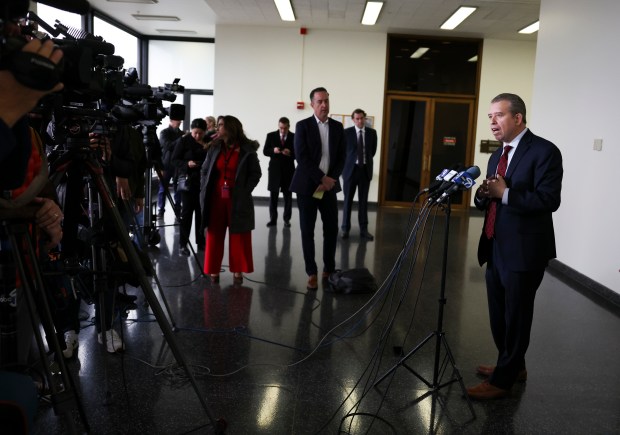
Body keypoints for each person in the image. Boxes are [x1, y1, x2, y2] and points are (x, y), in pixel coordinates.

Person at [467, 93, 563, 400]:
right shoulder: (498, 154)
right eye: (490, 117)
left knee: (517, 316)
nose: (493, 122)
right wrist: (484, 194)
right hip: (495, 244)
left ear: (518, 118)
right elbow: (491, 195)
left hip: (525, 251)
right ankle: (513, 364)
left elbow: (549, 200)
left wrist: (505, 194)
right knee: (499, 315)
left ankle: (502, 380)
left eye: (499, 115)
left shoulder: (545, 152)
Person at [290, 87, 345, 290]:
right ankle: (311, 272)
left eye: (327, 101)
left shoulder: (338, 127)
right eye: (320, 101)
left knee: (331, 229)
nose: (324, 105)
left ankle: (328, 269)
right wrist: (321, 178)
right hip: (307, 187)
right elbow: (301, 158)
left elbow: (341, 157)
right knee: (307, 230)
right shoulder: (302, 126)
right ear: (312, 104)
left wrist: (330, 179)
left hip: (328, 187)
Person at [199, 115, 261, 284]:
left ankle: (238, 271)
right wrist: (204, 187)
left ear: (231, 128)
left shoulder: (247, 150)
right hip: (216, 198)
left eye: (220, 125)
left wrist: (245, 190)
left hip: (238, 198)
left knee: (239, 235)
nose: (217, 128)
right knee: (214, 234)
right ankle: (212, 270)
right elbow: (204, 170)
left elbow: (256, 173)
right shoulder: (215, 147)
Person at [172, 118, 208, 256]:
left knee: (201, 213)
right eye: (195, 133)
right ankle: (183, 244)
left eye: (200, 133)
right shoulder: (184, 140)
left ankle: (201, 242)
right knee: (186, 214)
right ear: (191, 131)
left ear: (204, 132)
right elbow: (174, 160)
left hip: (203, 183)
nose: (197, 136)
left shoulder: (208, 142)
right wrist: (187, 164)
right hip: (188, 182)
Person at [341, 108, 377, 241]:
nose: (360, 121)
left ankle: (364, 230)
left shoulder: (372, 133)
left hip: (365, 171)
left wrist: (363, 162)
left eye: (362, 118)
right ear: (353, 120)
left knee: (363, 202)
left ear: (365, 118)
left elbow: (372, 151)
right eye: (357, 119)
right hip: (350, 171)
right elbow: (343, 152)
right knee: (347, 201)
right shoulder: (346, 133)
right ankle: (345, 229)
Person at [263, 116, 295, 228]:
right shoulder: (270, 135)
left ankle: (287, 220)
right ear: (278, 126)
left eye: (285, 128)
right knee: (273, 196)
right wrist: (273, 150)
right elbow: (265, 151)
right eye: (281, 127)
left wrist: (290, 153)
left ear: (288, 127)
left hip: (288, 171)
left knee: (288, 197)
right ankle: (273, 219)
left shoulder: (294, 137)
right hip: (274, 171)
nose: (282, 130)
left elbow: (299, 155)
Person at [157, 117, 184, 218]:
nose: (180, 121)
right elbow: (168, 146)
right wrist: (181, 139)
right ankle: (161, 210)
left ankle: (177, 209)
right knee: (163, 189)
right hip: (166, 165)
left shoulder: (181, 134)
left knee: (178, 189)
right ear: (172, 121)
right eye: (178, 120)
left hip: (178, 165)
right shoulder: (164, 133)